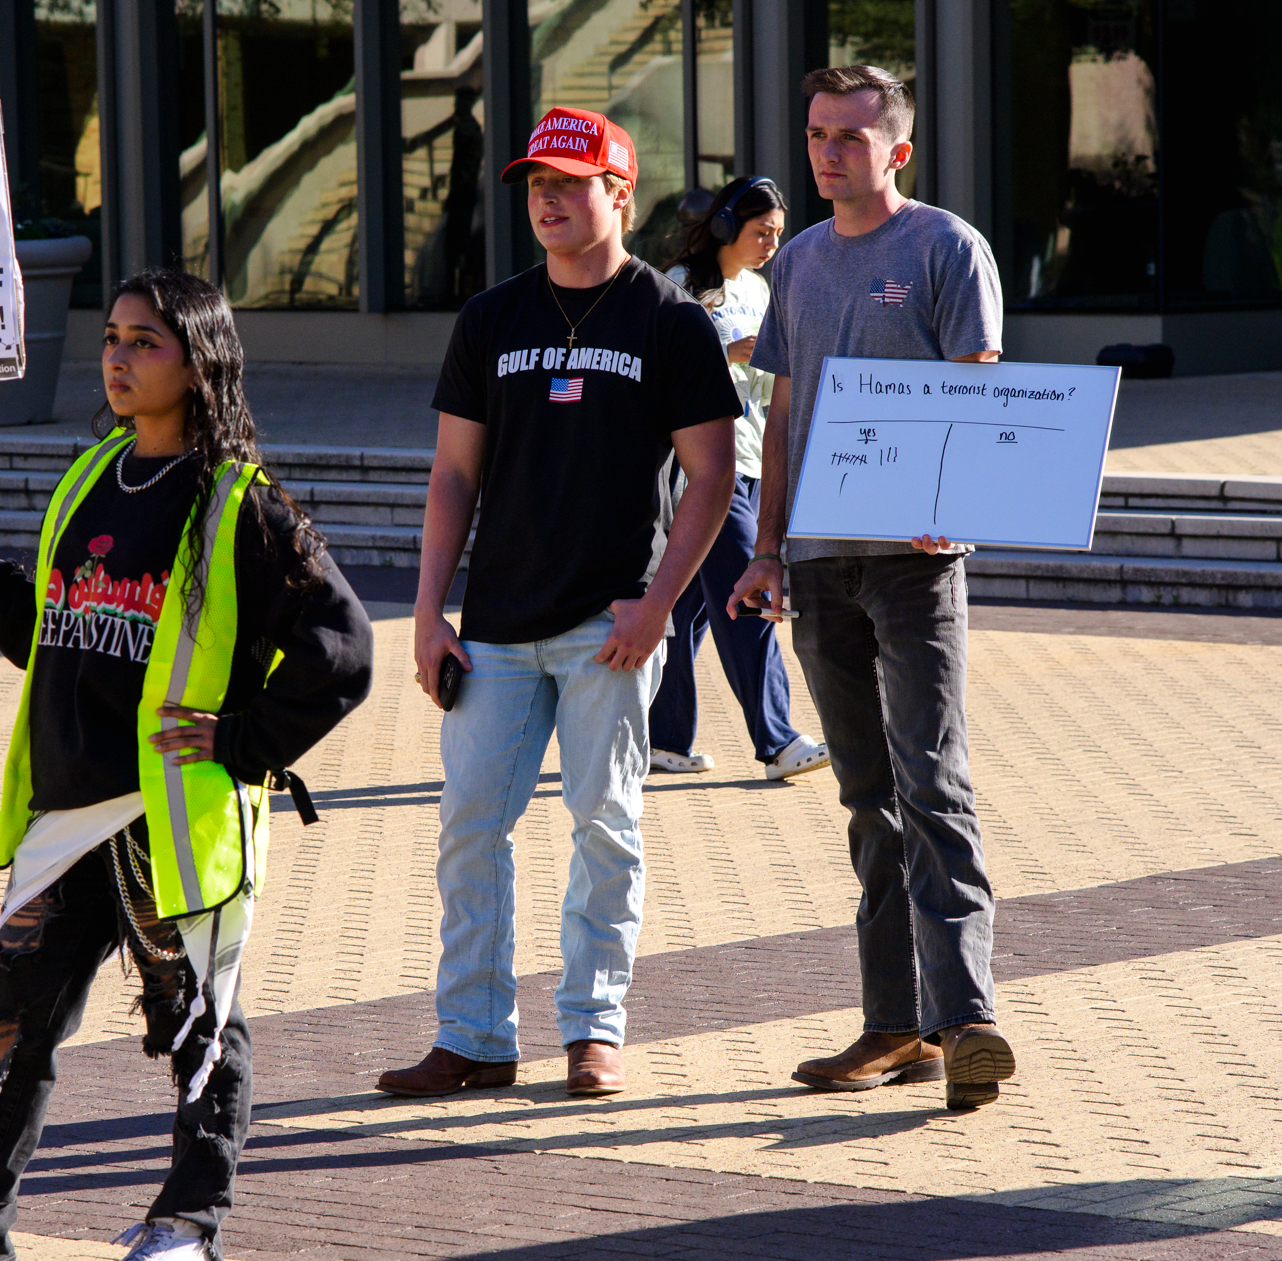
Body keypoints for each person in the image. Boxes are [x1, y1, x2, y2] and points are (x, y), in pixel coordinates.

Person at [0, 270, 373, 1261]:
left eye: (148, 342)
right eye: (113, 339)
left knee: (194, 1025)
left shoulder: (240, 506)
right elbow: (51, 629)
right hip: (64, 813)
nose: (120, 359)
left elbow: (341, 650)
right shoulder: (89, 476)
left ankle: (186, 1227)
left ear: (200, 361)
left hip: (169, 823)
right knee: (8, 1027)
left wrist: (241, 737)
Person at [378, 107, 740, 1100]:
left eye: (568, 183)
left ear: (619, 194)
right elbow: (453, 473)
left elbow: (710, 476)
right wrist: (426, 611)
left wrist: (657, 604)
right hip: (495, 624)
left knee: (604, 824)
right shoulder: (491, 320)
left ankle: (592, 1030)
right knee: (467, 828)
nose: (545, 199)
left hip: (609, 627)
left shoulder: (667, 321)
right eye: (534, 184)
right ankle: (474, 1036)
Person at [732, 66, 1016, 1112]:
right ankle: (895, 1025)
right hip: (817, 562)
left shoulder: (944, 248)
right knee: (866, 799)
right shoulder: (797, 262)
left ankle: (968, 1017)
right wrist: (764, 549)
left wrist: (958, 494)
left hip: (912, 563)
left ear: (895, 151)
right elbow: (783, 416)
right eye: (815, 135)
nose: (826, 153)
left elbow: (976, 389)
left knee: (930, 784)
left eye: (849, 138)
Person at [651, 175, 830, 782]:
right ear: (726, 226)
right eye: (761, 232)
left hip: (754, 460)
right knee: (746, 598)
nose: (771, 245)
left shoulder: (761, 288)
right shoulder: (675, 291)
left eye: (779, 235)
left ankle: (663, 738)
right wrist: (723, 352)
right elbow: (652, 372)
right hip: (703, 472)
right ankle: (778, 741)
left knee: (687, 612)